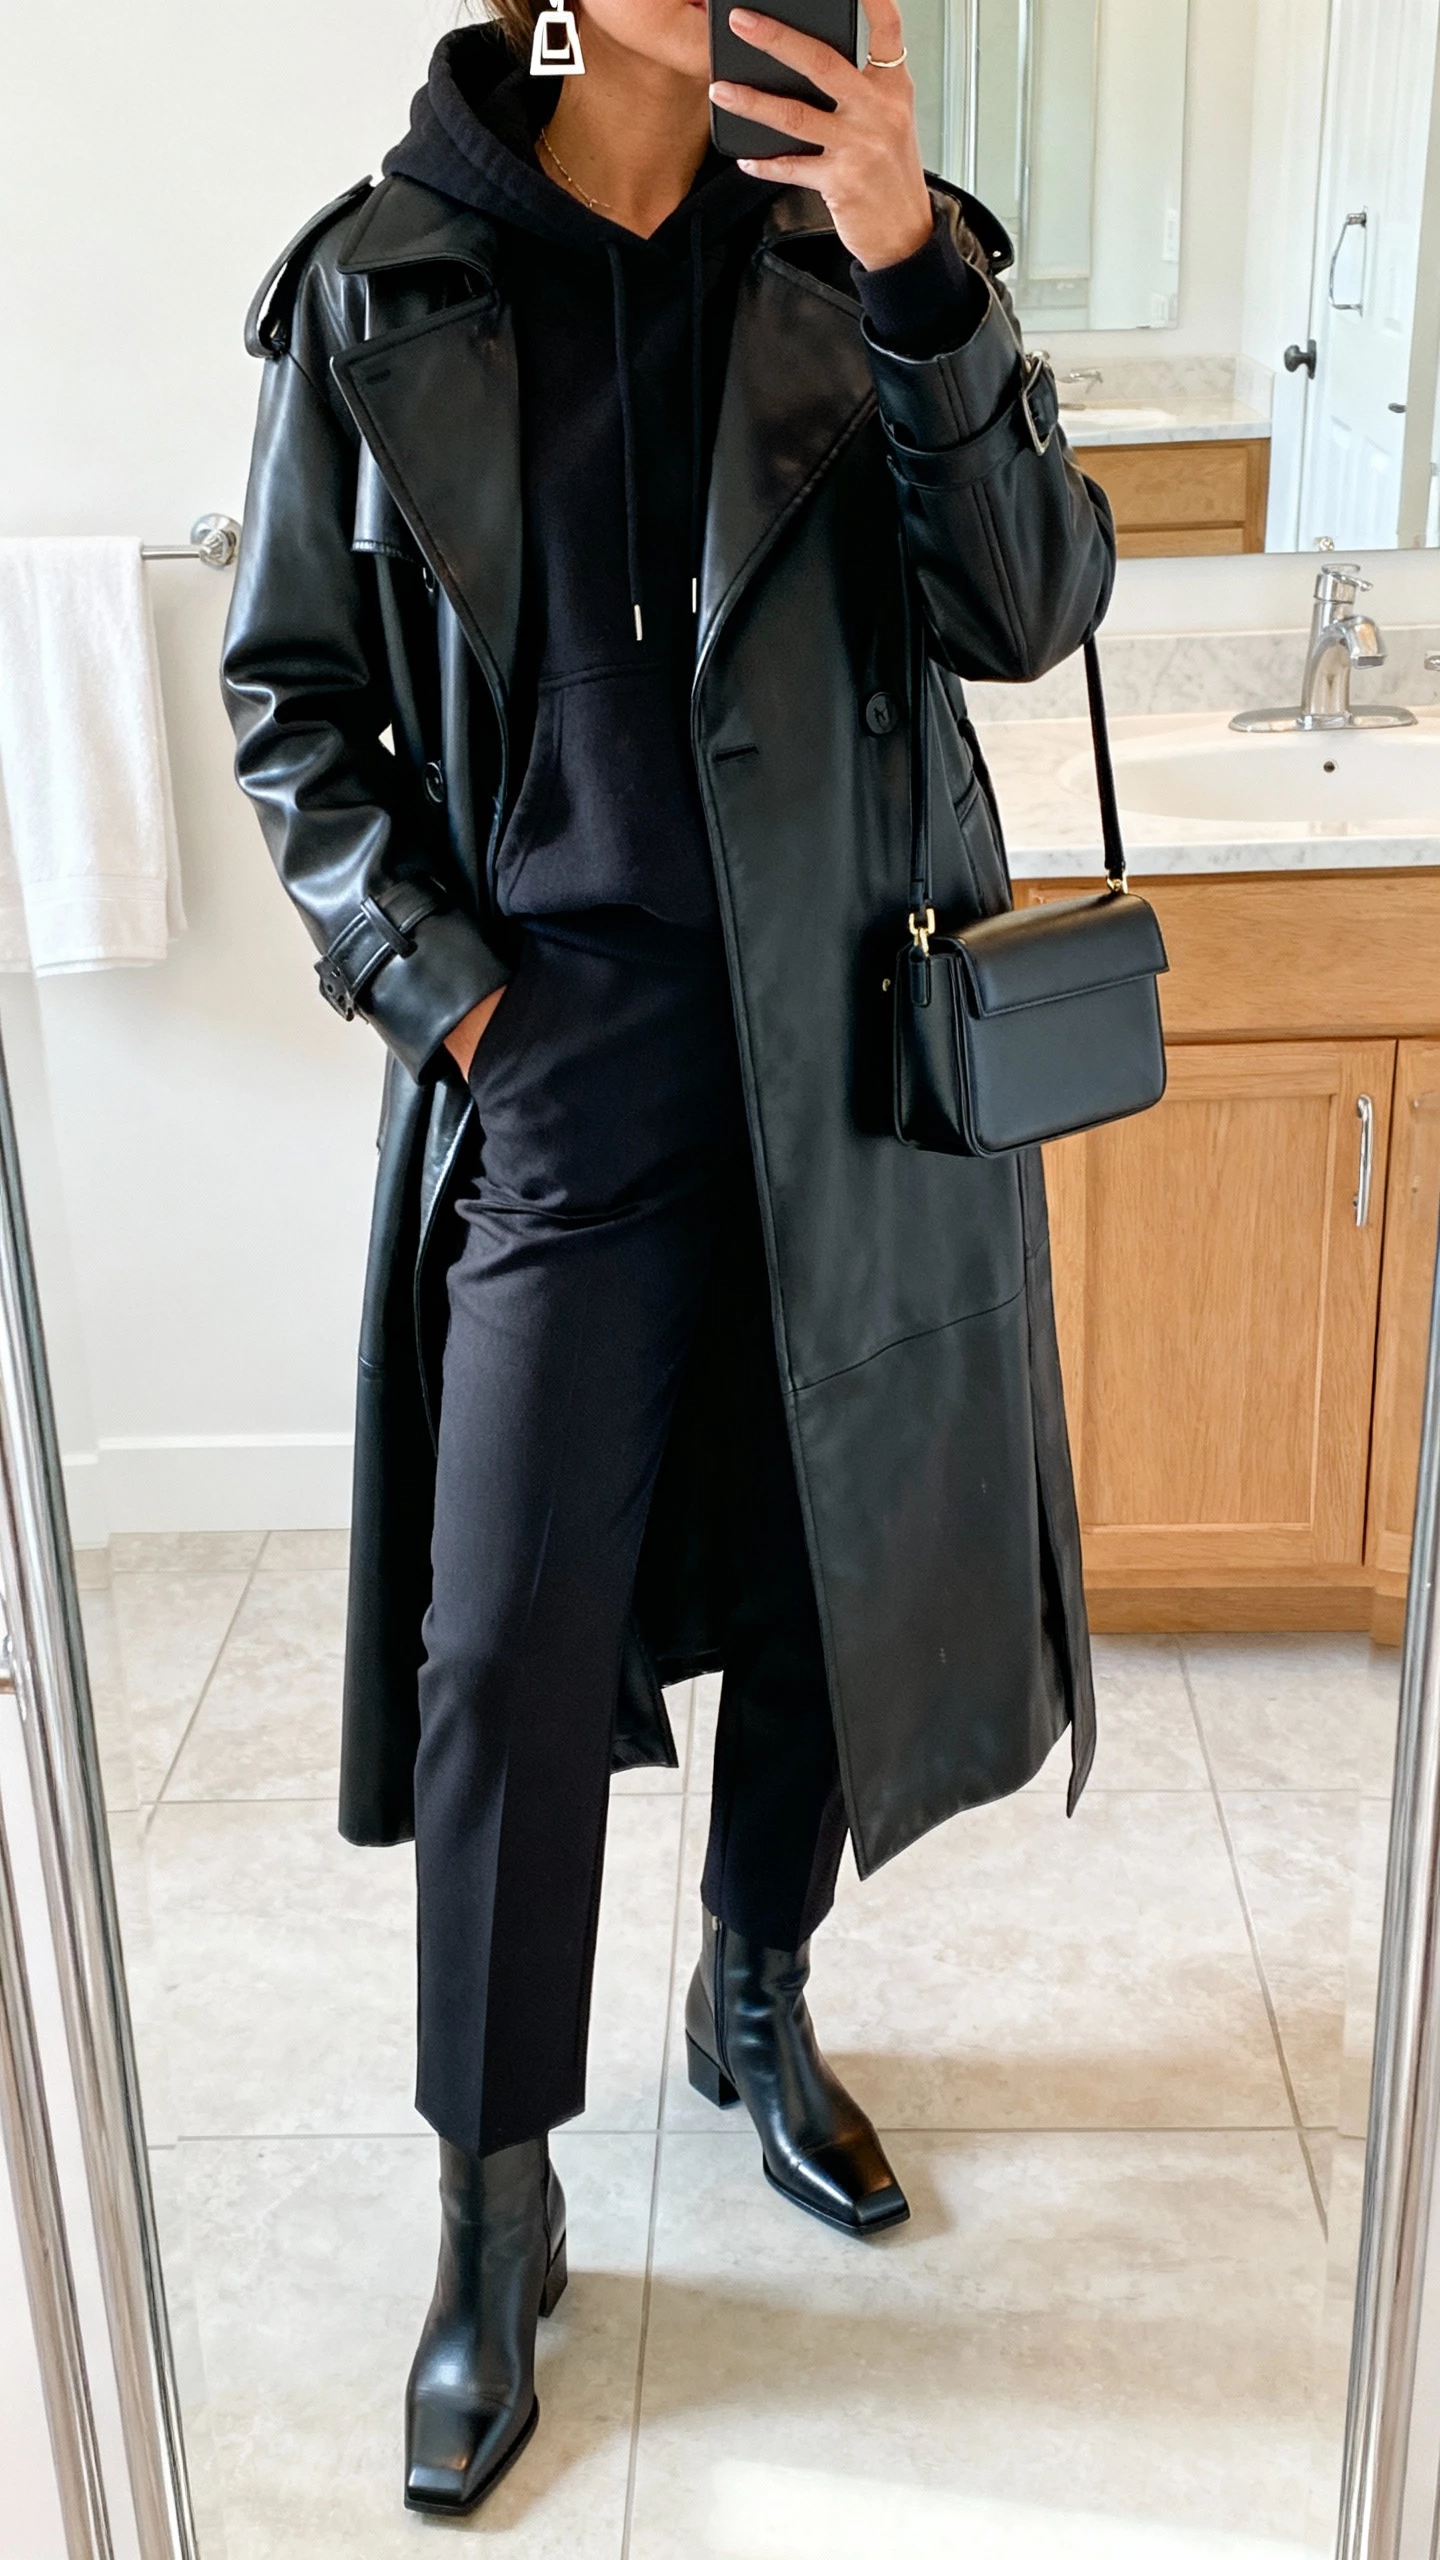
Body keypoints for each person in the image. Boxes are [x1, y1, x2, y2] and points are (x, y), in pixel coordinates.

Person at [222, 0, 1114, 2514]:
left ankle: (757, 1983)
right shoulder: (382, 281)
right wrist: (453, 995)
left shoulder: (862, 250)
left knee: (845, 1573)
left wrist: (921, 272)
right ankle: (495, 2198)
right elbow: (292, 702)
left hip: (854, 1046)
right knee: (504, 1638)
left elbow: (1030, 603)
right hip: (566, 1071)